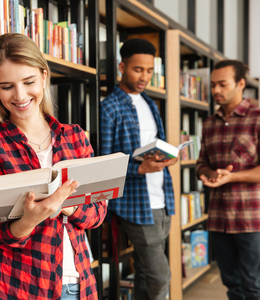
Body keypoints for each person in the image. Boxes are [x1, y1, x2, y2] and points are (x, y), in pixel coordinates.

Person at [0, 33, 106, 300]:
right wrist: (32, 218)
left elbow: (98, 214)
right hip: (11, 285)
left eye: (29, 81)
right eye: (6, 86)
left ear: (44, 77)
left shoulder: (76, 137)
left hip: (75, 284)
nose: (20, 95)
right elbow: (0, 236)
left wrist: (70, 206)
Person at [100, 38, 177, 300]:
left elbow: (155, 145)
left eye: (149, 71)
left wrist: (168, 157)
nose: (144, 77)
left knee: (145, 271)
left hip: (163, 198)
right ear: (122, 66)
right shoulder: (109, 107)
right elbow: (105, 162)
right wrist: (139, 168)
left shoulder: (150, 104)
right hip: (135, 204)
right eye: (137, 69)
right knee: (160, 275)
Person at [196, 60, 260, 300]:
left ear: (241, 84)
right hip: (219, 217)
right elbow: (201, 163)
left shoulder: (257, 117)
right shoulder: (209, 123)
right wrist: (209, 173)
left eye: (222, 84)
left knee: (253, 286)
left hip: (252, 220)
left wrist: (232, 177)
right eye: (213, 85)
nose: (215, 91)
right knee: (232, 285)